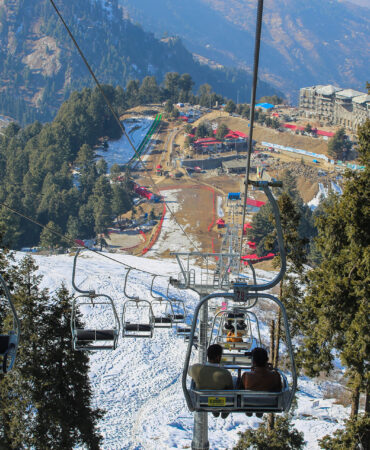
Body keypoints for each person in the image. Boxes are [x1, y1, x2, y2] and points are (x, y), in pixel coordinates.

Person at [189, 344, 233, 419]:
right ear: (218, 357)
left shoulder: (196, 369)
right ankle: (224, 412)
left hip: (202, 401)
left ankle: (215, 411)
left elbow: (188, 370)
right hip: (220, 402)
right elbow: (231, 390)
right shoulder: (225, 374)